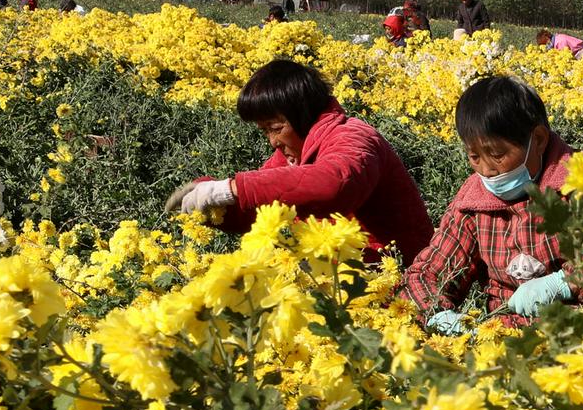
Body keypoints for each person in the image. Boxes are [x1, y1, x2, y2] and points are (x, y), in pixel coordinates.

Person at [402, 74, 583, 332]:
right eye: (474, 157)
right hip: (503, 337)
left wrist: (567, 281)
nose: (486, 170)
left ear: (539, 140)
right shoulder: (474, 201)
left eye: (497, 155)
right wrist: (438, 315)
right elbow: (426, 274)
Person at [162, 58, 434, 260]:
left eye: (275, 128)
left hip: (398, 280)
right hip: (339, 276)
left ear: (302, 113)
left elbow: (336, 184)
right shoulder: (292, 153)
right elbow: (263, 210)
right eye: (265, 131)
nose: (272, 141)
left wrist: (229, 189)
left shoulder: (354, 137)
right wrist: (214, 209)